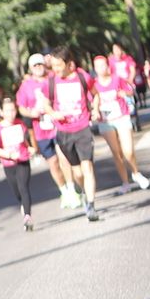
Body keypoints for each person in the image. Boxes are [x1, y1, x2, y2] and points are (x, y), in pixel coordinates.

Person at [41, 47, 101, 221]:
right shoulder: (51, 82)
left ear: (70, 64)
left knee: (87, 167)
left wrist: (95, 110)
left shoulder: (83, 77)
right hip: (64, 132)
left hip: (82, 128)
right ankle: (83, 192)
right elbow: (46, 104)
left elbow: (95, 95)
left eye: (59, 65)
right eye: (53, 66)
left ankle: (91, 204)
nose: (56, 69)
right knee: (78, 173)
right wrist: (54, 114)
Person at [16, 53, 79, 209]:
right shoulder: (26, 86)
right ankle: (63, 191)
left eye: (40, 64)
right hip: (41, 130)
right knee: (53, 163)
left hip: (59, 125)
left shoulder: (54, 78)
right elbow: (21, 107)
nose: (38, 68)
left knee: (64, 157)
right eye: (35, 66)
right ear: (31, 68)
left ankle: (72, 190)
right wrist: (32, 113)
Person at [90, 53, 150, 192]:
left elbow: (130, 91)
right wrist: (95, 111)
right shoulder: (93, 85)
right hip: (105, 121)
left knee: (128, 151)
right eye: (97, 66)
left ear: (108, 66)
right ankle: (125, 183)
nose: (101, 68)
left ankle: (136, 173)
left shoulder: (117, 79)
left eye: (103, 65)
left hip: (122, 117)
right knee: (116, 153)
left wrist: (125, 94)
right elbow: (91, 100)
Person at [0, 97, 34, 231]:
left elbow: (26, 141)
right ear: (2, 112)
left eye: (13, 110)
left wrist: (30, 147)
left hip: (23, 160)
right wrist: (9, 155)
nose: (11, 113)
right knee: (17, 191)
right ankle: (23, 205)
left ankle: (27, 216)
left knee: (23, 187)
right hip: (8, 164)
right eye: (7, 111)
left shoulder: (20, 124)